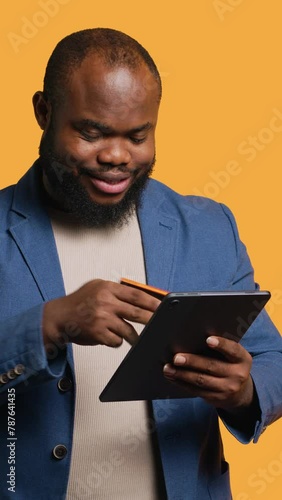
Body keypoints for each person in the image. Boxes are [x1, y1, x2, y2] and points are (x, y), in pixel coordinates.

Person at [0, 27, 281, 500]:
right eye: (91, 133)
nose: (116, 156)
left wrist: (244, 391)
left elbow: (272, 357)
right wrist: (49, 326)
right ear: (44, 112)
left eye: (137, 136)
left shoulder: (209, 227)